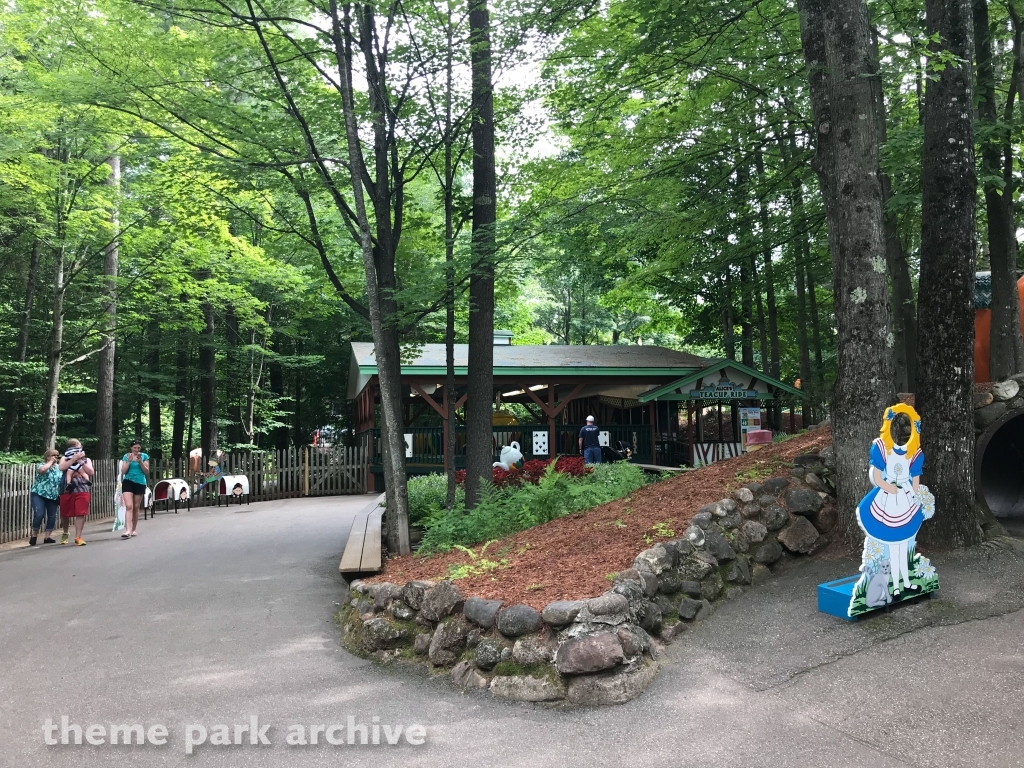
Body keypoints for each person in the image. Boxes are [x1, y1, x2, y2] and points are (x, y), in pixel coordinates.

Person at [58, 439, 94, 545]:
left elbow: (91, 472)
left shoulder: (87, 460)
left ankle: (78, 537)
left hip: (82, 487)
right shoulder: (65, 458)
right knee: (65, 513)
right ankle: (65, 532)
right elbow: (61, 467)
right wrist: (73, 459)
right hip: (67, 489)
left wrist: (80, 461)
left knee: (80, 512)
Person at [29, 449, 61, 546]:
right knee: (39, 514)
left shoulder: (59, 468)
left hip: (53, 495)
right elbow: (42, 471)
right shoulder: (41, 465)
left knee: (52, 516)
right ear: (47, 457)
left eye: (57, 456)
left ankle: (47, 537)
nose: (56, 457)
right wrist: (50, 462)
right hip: (39, 493)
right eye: (53, 455)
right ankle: (34, 535)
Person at [119, 439, 150, 539]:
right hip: (128, 481)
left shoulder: (144, 456)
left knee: (136, 507)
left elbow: (146, 471)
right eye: (135, 448)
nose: (136, 449)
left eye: (138, 448)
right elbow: (123, 471)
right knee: (129, 506)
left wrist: (140, 462)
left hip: (140, 482)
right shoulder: (126, 456)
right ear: (131, 448)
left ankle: (133, 529)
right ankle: (127, 530)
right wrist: (128, 461)